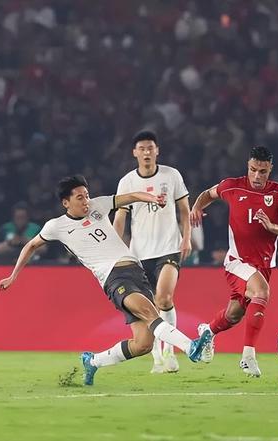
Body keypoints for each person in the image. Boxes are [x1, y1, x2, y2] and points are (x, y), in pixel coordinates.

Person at [0, 175, 211, 386]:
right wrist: (13, 275)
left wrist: (152, 198)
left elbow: (130, 196)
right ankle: (190, 347)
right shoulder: (56, 226)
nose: (86, 201)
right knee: (150, 313)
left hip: (136, 272)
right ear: (66, 203)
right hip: (114, 278)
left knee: (143, 344)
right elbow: (31, 245)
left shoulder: (98, 205)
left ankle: (93, 361)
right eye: (79, 197)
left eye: (86, 195)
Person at [190, 146, 278, 377]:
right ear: (248, 166)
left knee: (233, 315)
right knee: (261, 292)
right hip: (237, 262)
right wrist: (197, 207)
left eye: (263, 171)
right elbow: (208, 194)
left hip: (264, 265)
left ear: (270, 169)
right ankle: (248, 356)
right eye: (253, 169)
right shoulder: (232, 186)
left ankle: (207, 331)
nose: (257, 176)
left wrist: (272, 226)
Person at [113, 131, 192, 374]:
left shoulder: (171, 175)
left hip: (169, 247)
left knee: (164, 298)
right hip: (139, 253)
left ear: (157, 151)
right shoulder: (127, 182)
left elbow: (184, 209)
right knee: (150, 309)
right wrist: (114, 248)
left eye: (150, 148)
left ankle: (170, 351)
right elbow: (121, 217)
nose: (146, 152)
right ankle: (157, 353)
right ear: (134, 153)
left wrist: (186, 238)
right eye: (142, 148)